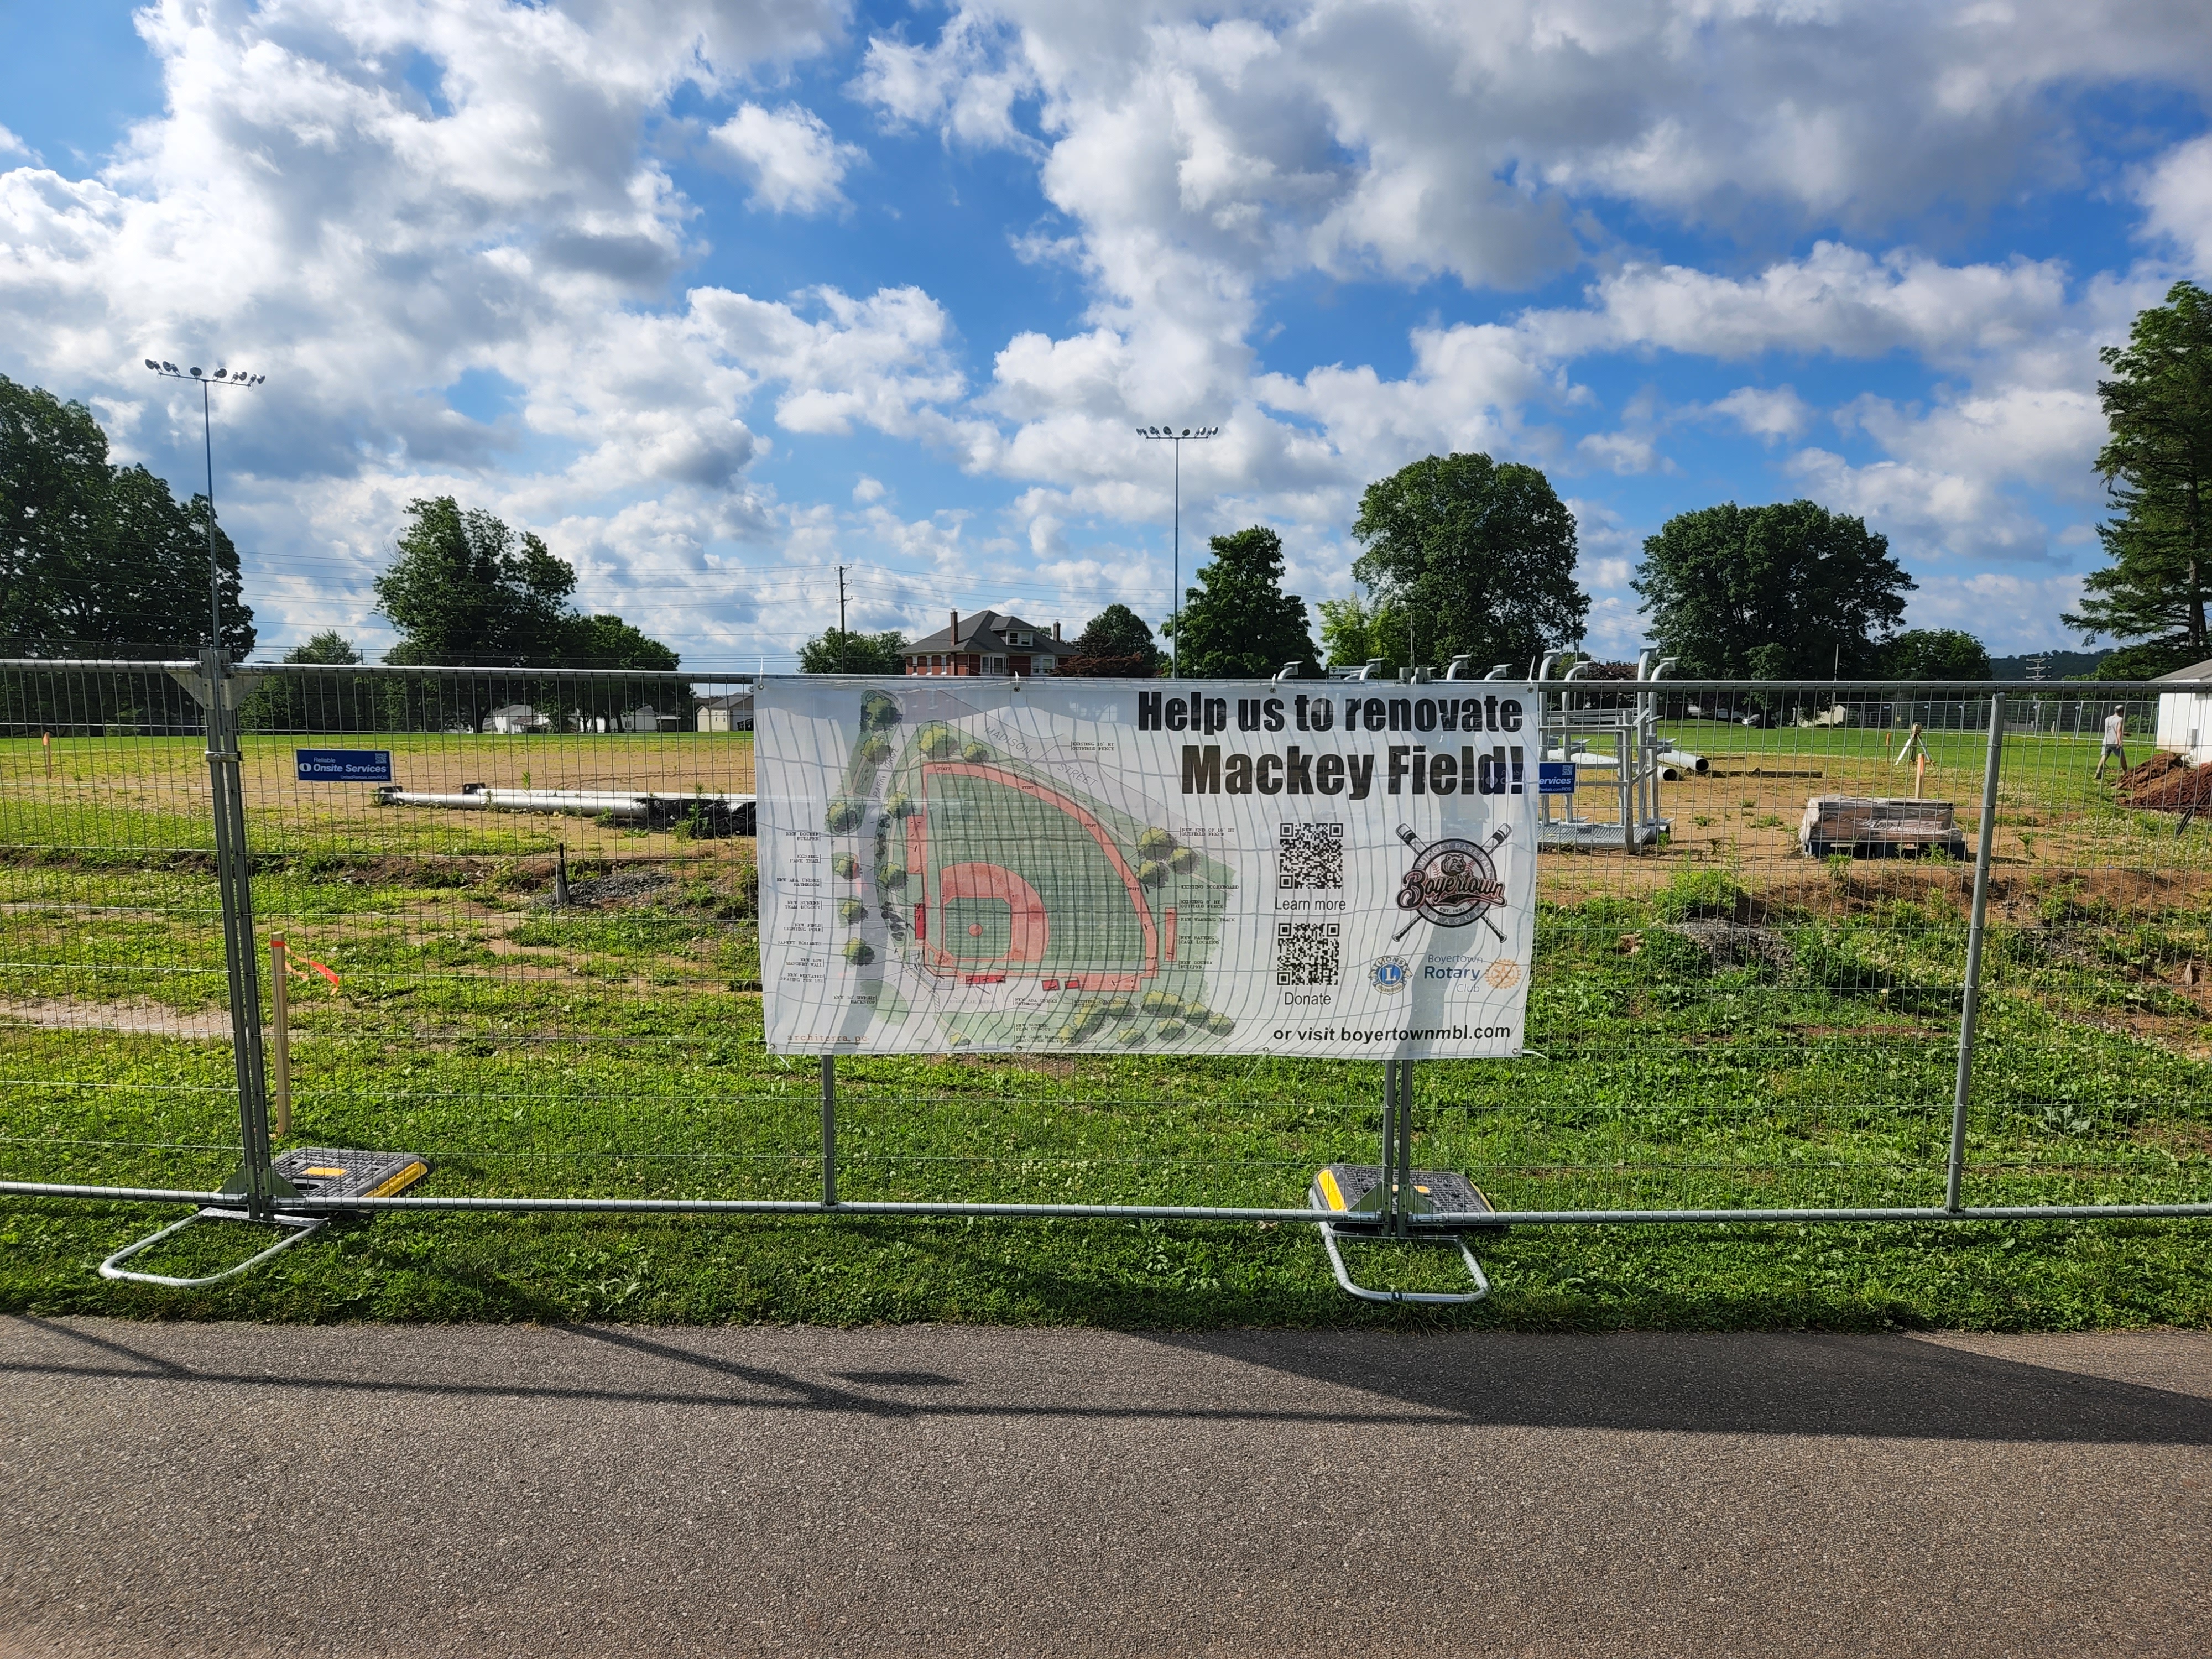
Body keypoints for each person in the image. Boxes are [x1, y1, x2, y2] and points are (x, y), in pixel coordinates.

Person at [2094, 705, 2128, 779]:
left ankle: (2098, 772)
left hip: (2106, 741)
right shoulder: (2120, 720)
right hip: (2115, 742)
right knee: (2122, 757)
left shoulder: (2108, 719)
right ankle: (2126, 772)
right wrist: (2120, 741)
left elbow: (2112, 730)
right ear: (2121, 711)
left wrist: (2124, 734)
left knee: (2104, 757)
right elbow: (2118, 731)